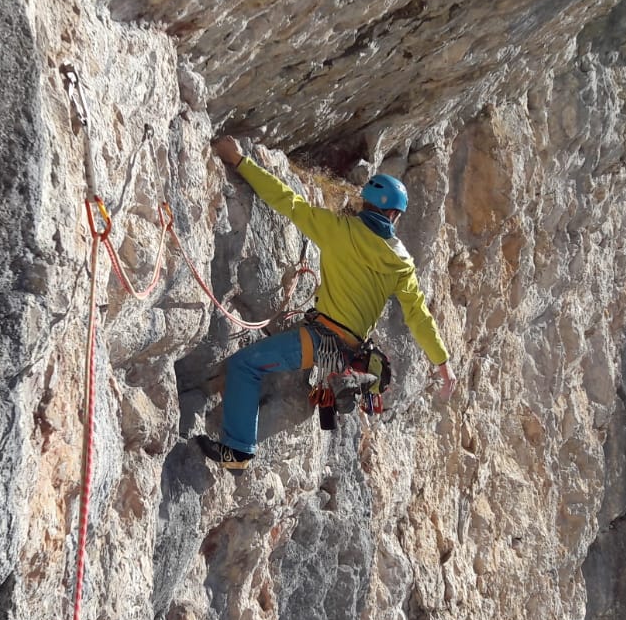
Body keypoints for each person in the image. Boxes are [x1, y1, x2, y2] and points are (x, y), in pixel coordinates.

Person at [195, 134, 457, 470]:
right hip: (347, 348)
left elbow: (286, 200)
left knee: (244, 365)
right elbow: (418, 316)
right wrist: (443, 364)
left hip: (320, 340)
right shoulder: (401, 264)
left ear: (366, 204)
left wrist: (239, 161)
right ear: (394, 215)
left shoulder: (338, 230)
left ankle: (237, 451)